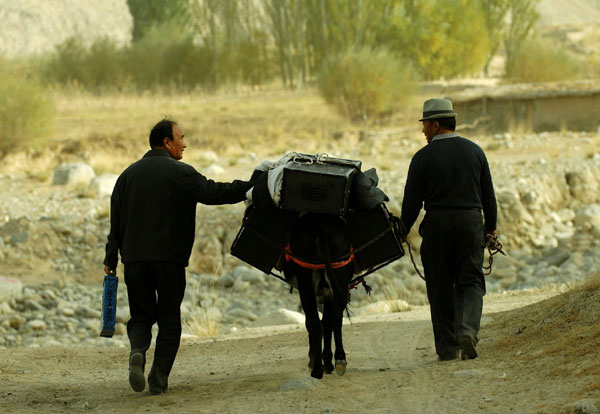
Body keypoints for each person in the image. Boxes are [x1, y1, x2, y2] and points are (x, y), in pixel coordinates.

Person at [103, 118, 254, 394]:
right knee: (169, 318)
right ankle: (158, 380)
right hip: (169, 260)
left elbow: (116, 220)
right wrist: (253, 186)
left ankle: (138, 350)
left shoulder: (127, 175)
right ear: (167, 142)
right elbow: (215, 192)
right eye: (181, 138)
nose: (185, 143)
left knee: (140, 315)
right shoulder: (180, 173)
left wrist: (110, 259)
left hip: (134, 260)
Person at [399, 98, 497, 361]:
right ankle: (467, 330)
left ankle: (446, 348)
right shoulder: (475, 151)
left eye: (425, 125)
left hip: (438, 225)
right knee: (472, 281)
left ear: (436, 125)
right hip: (471, 223)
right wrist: (492, 230)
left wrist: (401, 231)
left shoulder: (422, 158)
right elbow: (489, 197)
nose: (423, 131)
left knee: (439, 286)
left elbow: (411, 203)